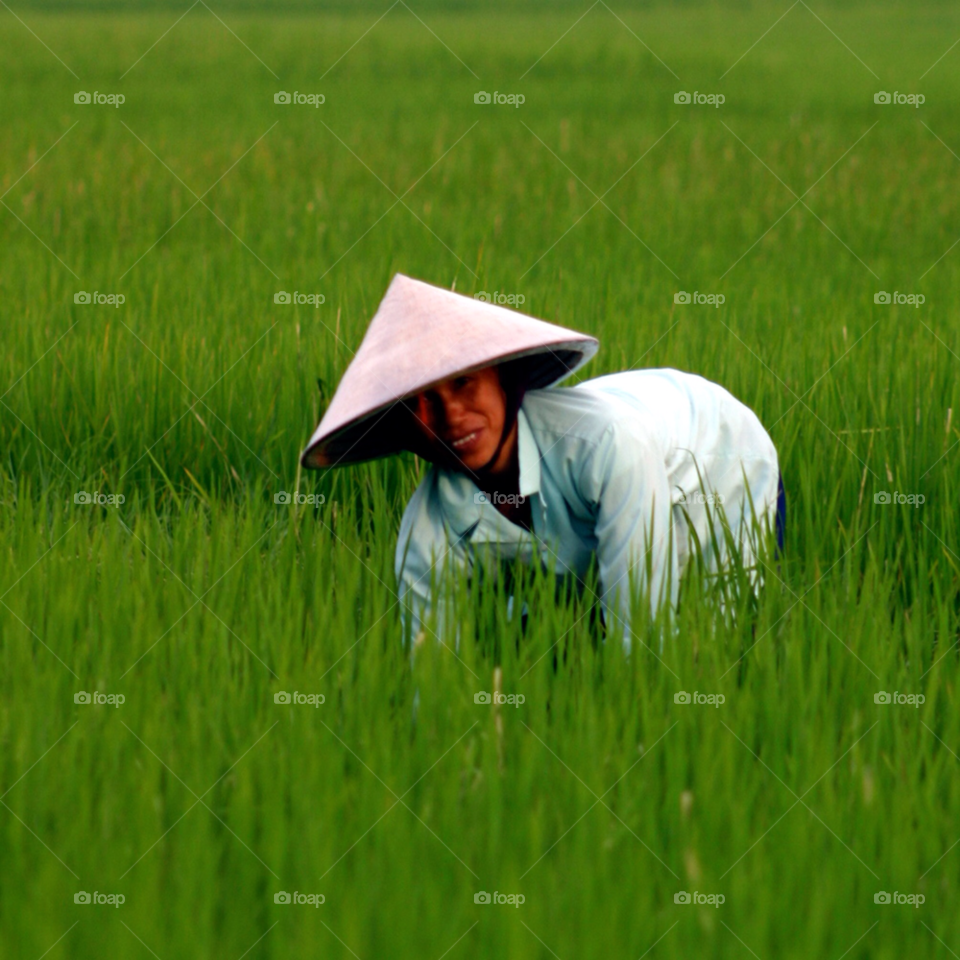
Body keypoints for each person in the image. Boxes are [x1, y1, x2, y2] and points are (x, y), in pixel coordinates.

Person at [301, 274, 783, 652]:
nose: (452, 417)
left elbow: (642, 639)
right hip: (611, 492)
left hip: (716, 468)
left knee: (714, 646)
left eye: (465, 383)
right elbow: (433, 683)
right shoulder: (428, 531)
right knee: (545, 644)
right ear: (402, 427)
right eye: (421, 402)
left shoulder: (608, 446)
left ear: (506, 382)